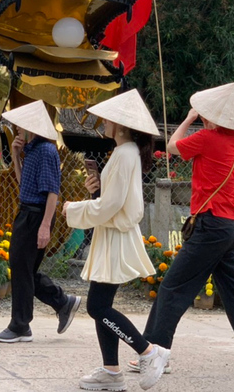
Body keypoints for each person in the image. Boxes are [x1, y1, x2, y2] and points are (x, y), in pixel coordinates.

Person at [134, 83, 234, 388]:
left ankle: (156, 351)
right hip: (229, 226)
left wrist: (188, 120)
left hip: (210, 225)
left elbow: (171, 147)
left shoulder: (208, 138)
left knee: (173, 285)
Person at [62, 89, 161, 391]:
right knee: (100, 304)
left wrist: (73, 209)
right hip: (113, 235)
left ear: (120, 124)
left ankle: (147, 351)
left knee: (98, 307)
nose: (102, 121)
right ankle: (111, 371)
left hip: (115, 237)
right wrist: (96, 191)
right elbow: (112, 201)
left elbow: (110, 206)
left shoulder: (123, 153)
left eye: (107, 118)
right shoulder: (124, 152)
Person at [0, 100, 81, 343]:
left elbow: (53, 191)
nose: (17, 130)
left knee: (22, 269)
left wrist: (45, 226)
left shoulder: (47, 151)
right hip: (27, 212)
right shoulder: (32, 150)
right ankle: (63, 303)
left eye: (20, 126)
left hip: (36, 216)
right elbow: (23, 185)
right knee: (24, 270)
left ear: (32, 127)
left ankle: (21, 326)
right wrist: (15, 155)